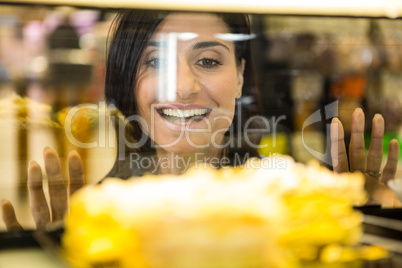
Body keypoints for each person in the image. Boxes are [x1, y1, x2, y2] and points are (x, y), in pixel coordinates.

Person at [1, 10, 400, 230]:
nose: (183, 88)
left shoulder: (287, 196)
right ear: (127, 79)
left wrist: (367, 220)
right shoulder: (91, 211)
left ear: (241, 75)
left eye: (208, 61)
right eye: (154, 61)